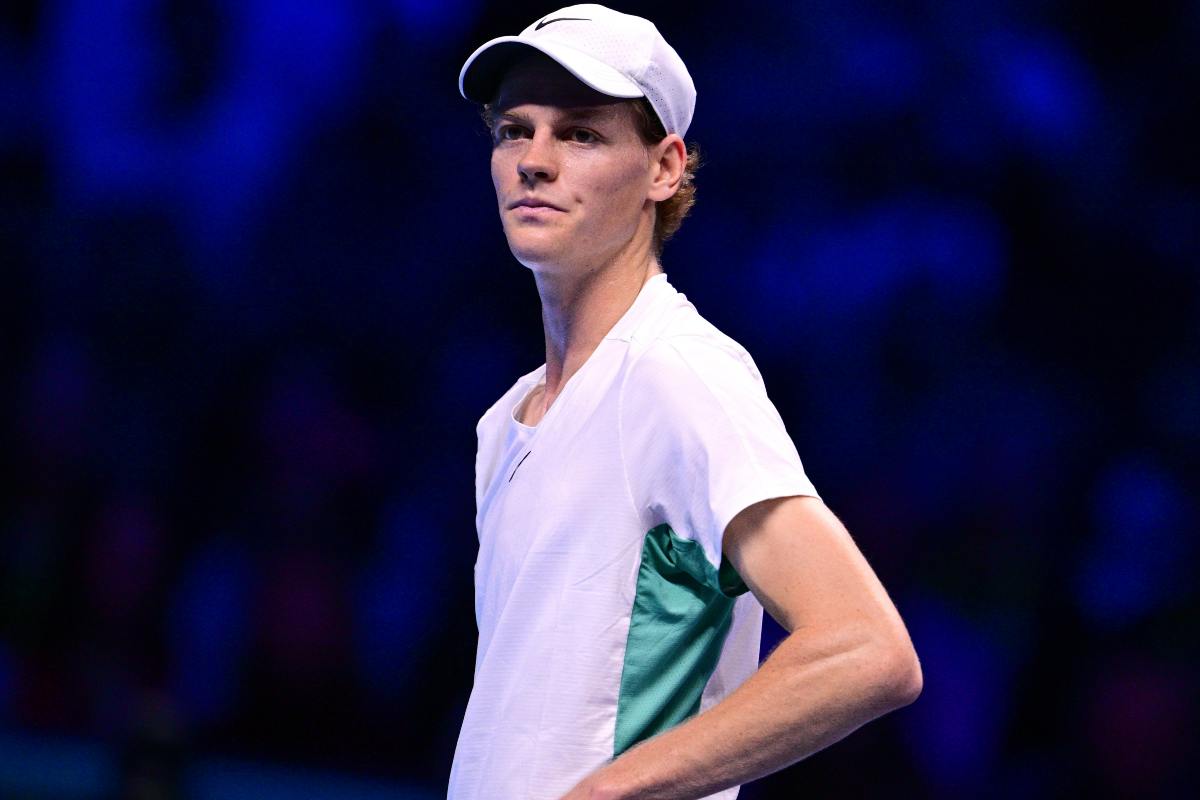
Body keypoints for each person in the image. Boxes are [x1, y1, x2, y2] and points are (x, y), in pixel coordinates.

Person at [450, 6, 922, 799]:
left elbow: (865, 647)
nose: (533, 161)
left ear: (664, 169)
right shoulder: (508, 418)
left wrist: (604, 793)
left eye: (580, 134)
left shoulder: (676, 375)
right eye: (513, 131)